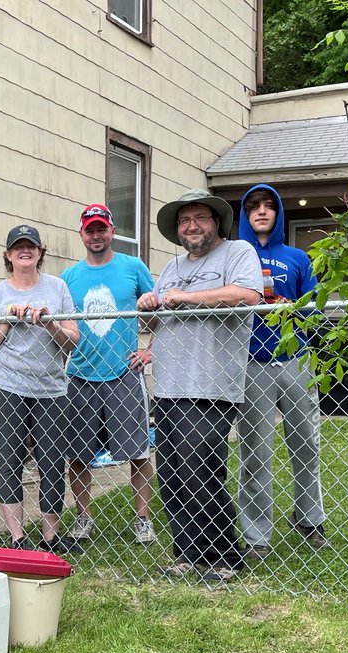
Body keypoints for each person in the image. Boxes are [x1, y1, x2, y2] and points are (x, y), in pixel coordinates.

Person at [136, 188, 262, 583]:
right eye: (184, 220)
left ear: (216, 222)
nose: (192, 226)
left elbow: (247, 295)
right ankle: (187, 554)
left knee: (201, 471)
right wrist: (147, 307)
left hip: (210, 383)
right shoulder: (171, 267)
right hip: (168, 384)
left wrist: (187, 297)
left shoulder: (237, 252)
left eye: (200, 218)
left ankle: (225, 558)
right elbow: (154, 324)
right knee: (172, 476)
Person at [0, 224, 79, 553]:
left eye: (30, 245)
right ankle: (17, 537)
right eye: (18, 246)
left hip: (50, 388)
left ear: (40, 252)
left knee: (52, 461)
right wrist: (8, 320)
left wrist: (49, 321)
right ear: (8, 255)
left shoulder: (57, 287)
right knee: (10, 459)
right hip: (6, 386)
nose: (25, 251)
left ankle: (50, 537)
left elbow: (72, 340)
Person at [236, 184, 328, 554]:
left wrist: (291, 308)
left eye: (268, 205)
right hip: (251, 362)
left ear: (277, 213)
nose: (261, 211)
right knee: (255, 451)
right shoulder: (235, 255)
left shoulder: (296, 257)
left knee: (306, 445)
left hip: (294, 359)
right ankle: (256, 536)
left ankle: (309, 519)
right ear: (245, 215)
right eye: (253, 206)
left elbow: (314, 308)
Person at [61, 203, 157, 546]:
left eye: (102, 229)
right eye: (90, 230)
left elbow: (159, 311)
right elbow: (61, 325)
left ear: (112, 231)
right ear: (81, 234)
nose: (96, 235)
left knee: (139, 451)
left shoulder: (133, 267)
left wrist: (150, 350)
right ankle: (83, 517)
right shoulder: (69, 277)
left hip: (124, 373)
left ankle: (142, 519)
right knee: (78, 453)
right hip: (80, 374)